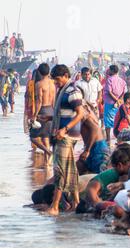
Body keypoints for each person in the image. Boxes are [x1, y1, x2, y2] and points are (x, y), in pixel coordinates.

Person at [46, 65, 85, 216]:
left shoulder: (72, 91)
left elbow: (80, 114)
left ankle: (55, 206)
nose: (56, 83)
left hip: (66, 136)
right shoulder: (63, 90)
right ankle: (76, 202)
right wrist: (49, 118)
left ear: (66, 75)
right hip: (63, 135)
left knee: (60, 170)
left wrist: (65, 129)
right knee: (71, 169)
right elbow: (65, 112)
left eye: (57, 80)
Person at [32, 63, 56, 166]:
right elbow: (54, 100)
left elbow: (39, 101)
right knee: (45, 137)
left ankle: (48, 152)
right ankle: (47, 164)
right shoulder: (53, 83)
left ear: (39, 72)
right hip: (51, 110)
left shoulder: (39, 84)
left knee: (33, 137)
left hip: (43, 110)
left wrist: (34, 115)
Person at [76, 104, 109, 175]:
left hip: (97, 147)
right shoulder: (85, 108)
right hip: (93, 146)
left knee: (99, 177)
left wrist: (87, 150)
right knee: (80, 168)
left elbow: (95, 128)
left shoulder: (82, 110)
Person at [103, 65, 127, 145]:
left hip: (110, 103)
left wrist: (116, 100)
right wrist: (119, 100)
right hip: (119, 103)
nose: (108, 71)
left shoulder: (109, 80)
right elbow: (124, 92)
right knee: (118, 120)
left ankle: (108, 139)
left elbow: (109, 92)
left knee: (107, 121)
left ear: (112, 71)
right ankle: (119, 139)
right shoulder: (122, 81)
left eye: (109, 70)